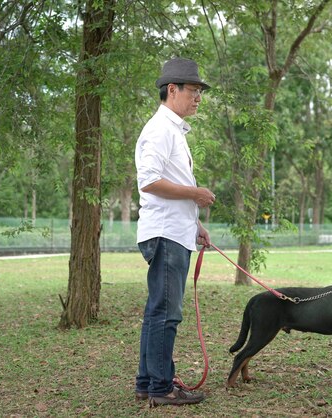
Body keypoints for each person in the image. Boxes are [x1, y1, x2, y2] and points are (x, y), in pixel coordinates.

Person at [134, 57, 215, 407]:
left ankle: (146, 383)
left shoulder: (174, 130)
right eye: (193, 91)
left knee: (158, 311)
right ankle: (161, 389)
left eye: (199, 92)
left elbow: (172, 182)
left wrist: (195, 223)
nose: (198, 98)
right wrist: (196, 195)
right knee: (166, 313)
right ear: (172, 89)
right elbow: (150, 181)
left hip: (176, 231)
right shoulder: (159, 129)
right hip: (165, 235)